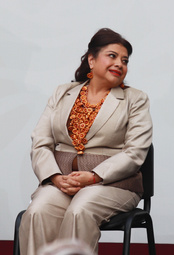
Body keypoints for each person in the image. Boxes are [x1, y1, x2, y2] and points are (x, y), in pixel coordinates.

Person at [19, 28, 153, 255]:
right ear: (91, 60)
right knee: (37, 212)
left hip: (112, 184)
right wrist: (54, 177)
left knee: (79, 211)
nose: (120, 64)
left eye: (125, 60)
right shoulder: (62, 93)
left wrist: (93, 176)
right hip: (62, 182)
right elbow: (41, 142)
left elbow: (135, 152)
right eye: (112, 56)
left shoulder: (135, 99)